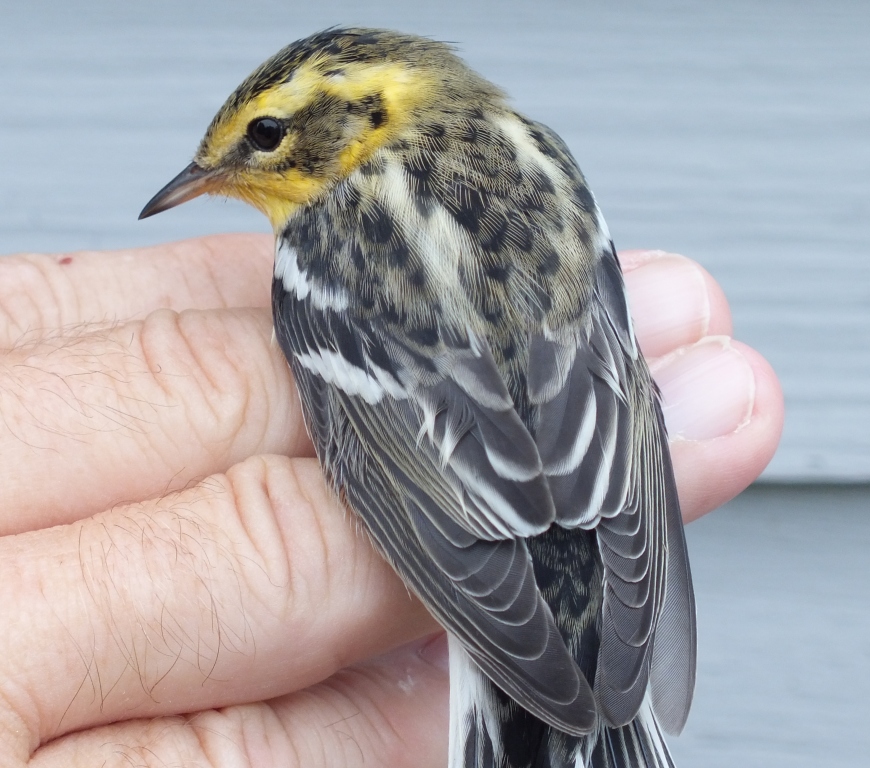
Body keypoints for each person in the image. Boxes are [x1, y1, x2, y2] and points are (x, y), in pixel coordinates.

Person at [0, 234, 784, 767]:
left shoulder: (324, 246)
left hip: (459, 511)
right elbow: (619, 377)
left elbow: (380, 431)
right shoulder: (543, 170)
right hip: (599, 481)